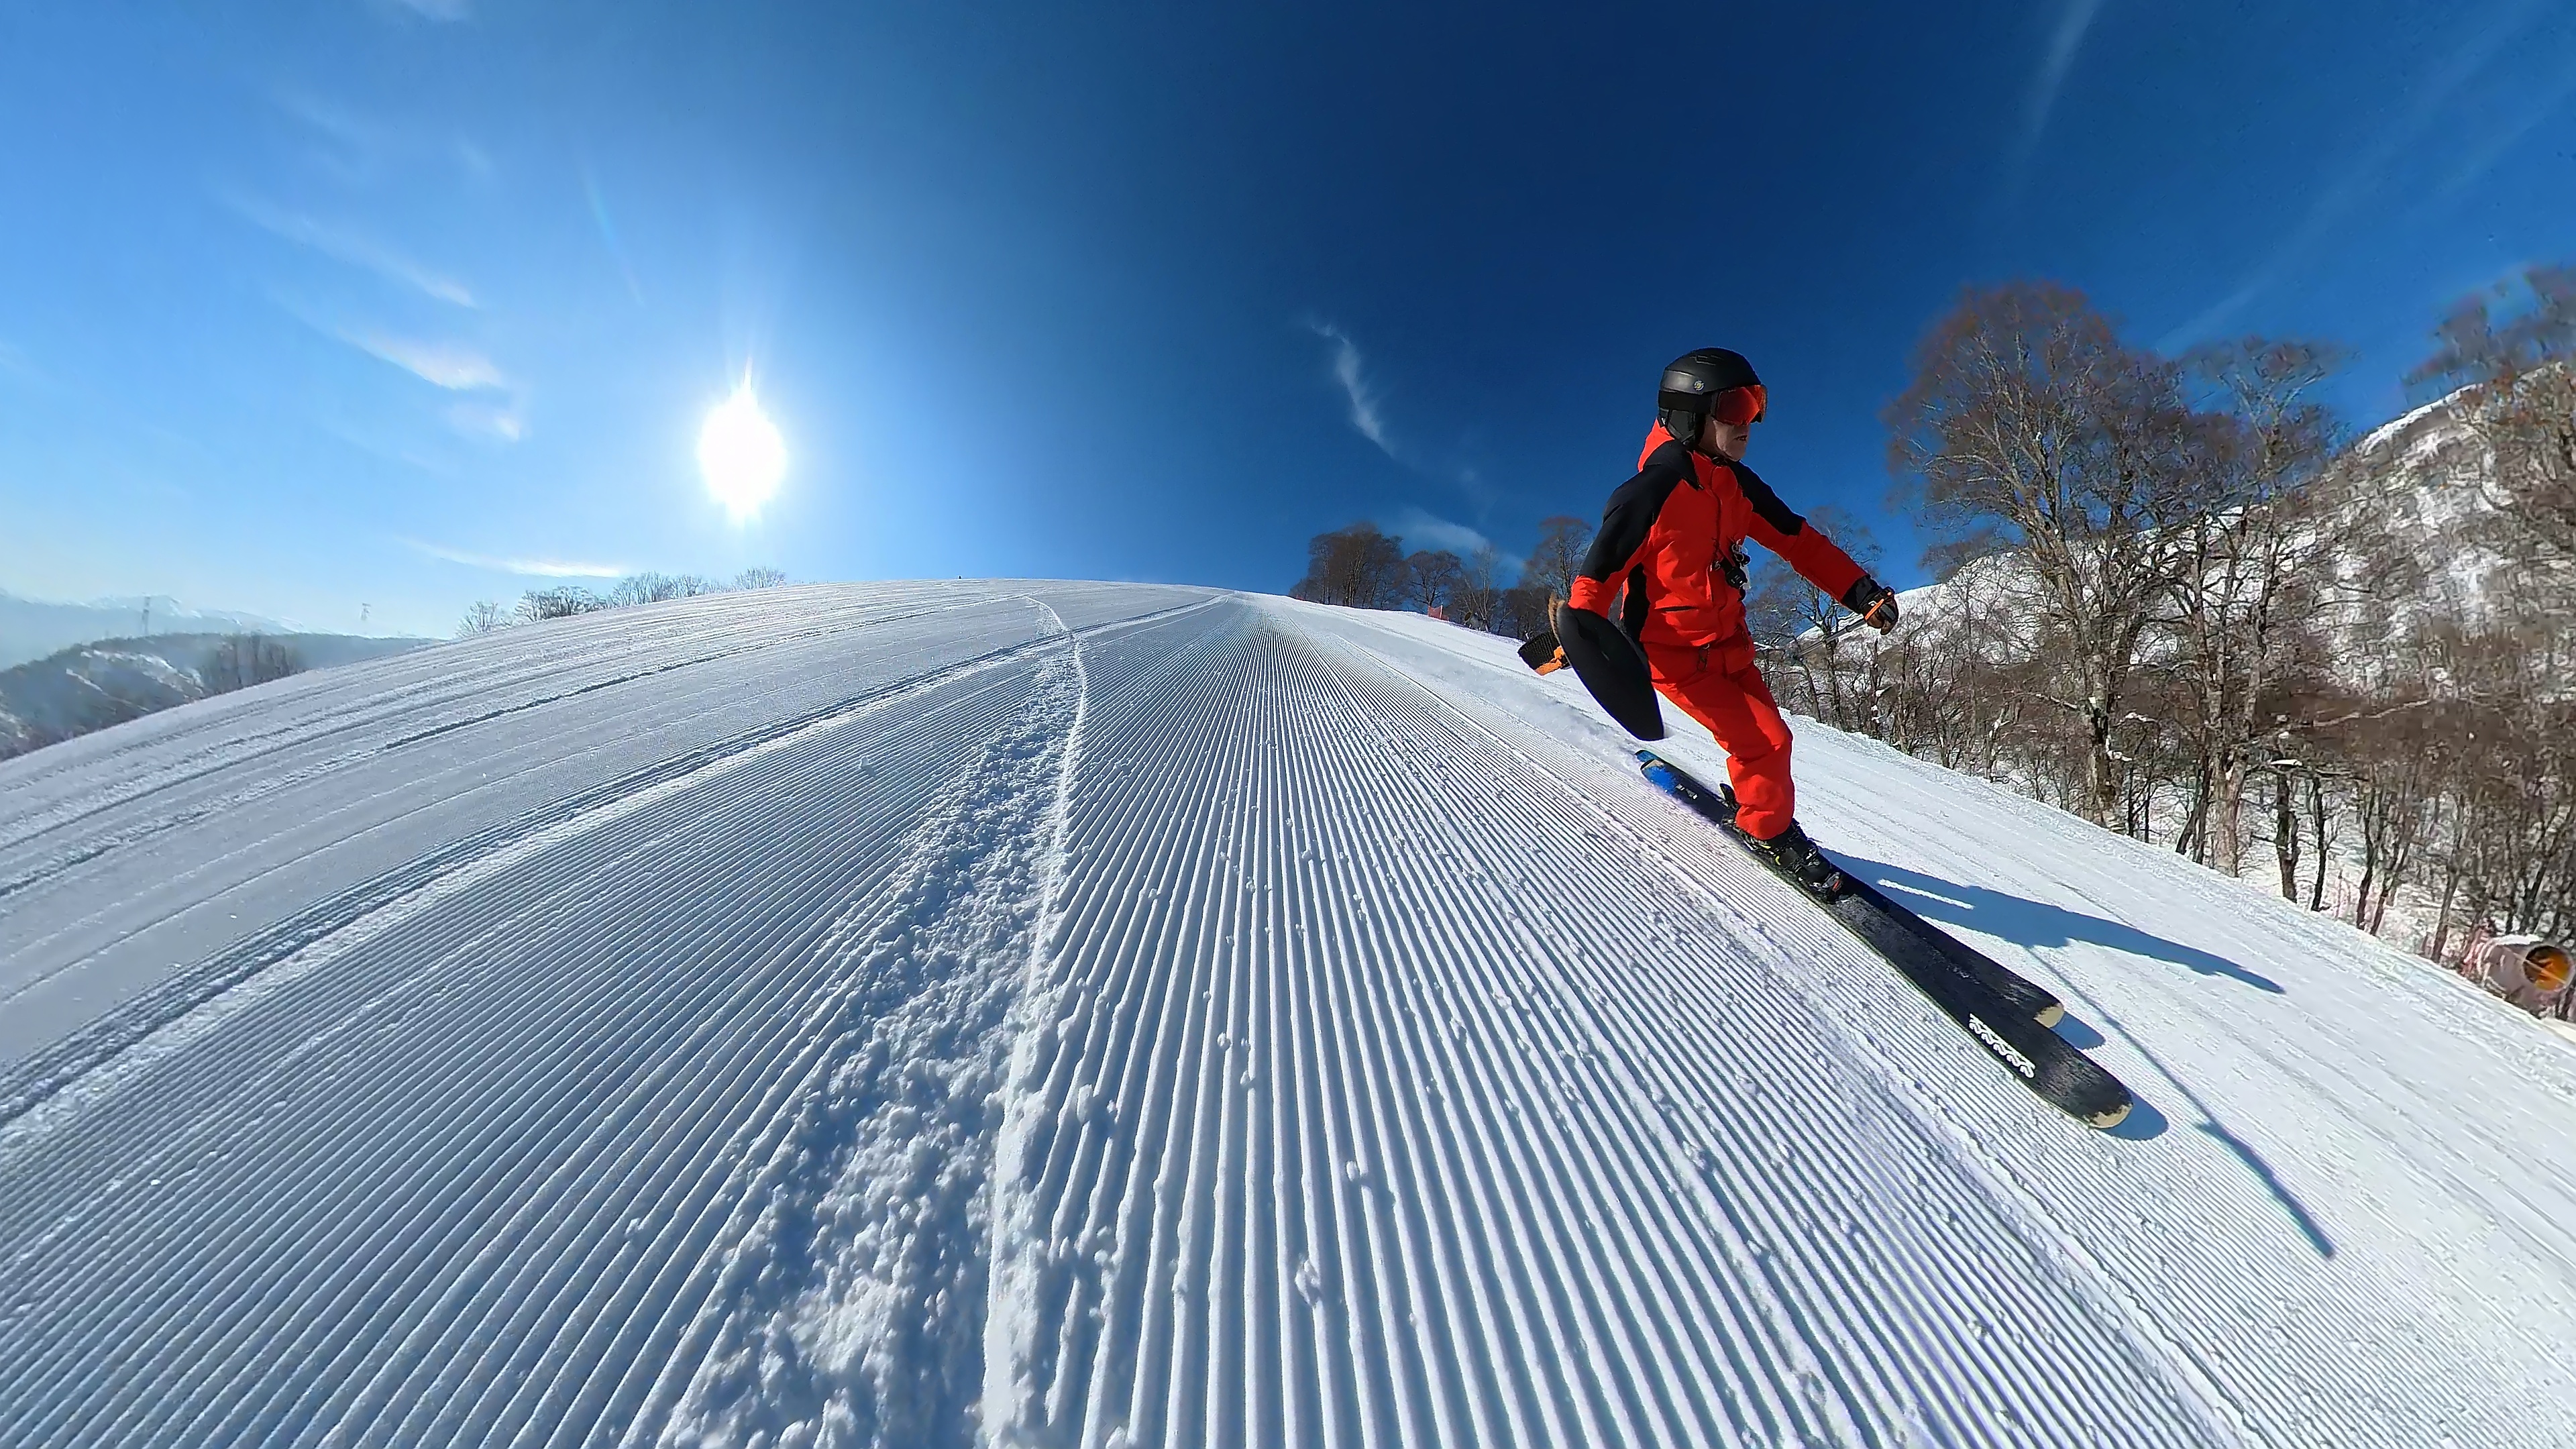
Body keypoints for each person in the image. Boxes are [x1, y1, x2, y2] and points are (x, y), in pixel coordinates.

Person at [1563, 347, 1900, 894]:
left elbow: (1800, 543)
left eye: (1757, 404)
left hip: (1732, 648)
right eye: (1736, 407)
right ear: (1688, 416)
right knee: (1767, 743)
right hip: (1674, 657)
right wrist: (1580, 636)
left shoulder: (1737, 485)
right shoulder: (1651, 493)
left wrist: (1860, 591)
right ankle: (1768, 831)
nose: (1751, 422)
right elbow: (1595, 582)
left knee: (1769, 742)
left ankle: (1757, 804)